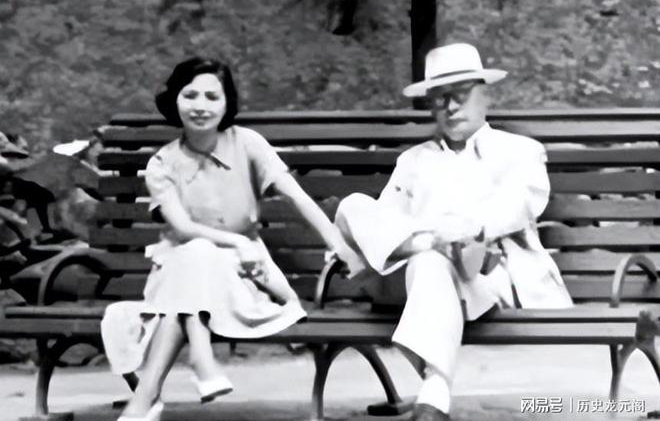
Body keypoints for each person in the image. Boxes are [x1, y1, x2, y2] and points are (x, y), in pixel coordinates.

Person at [105, 57, 360, 421]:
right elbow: (182, 228)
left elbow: (298, 197)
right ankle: (198, 363)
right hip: (180, 267)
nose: (200, 106)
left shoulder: (248, 143)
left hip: (244, 273)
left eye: (212, 96)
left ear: (227, 104)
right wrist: (235, 241)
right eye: (190, 95)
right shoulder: (162, 164)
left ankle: (151, 397)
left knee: (189, 276)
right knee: (195, 253)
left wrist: (336, 242)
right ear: (175, 100)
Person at [335, 43, 574, 421]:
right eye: (439, 98)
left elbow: (516, 207)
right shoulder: (413, 160)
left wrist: (456, 233)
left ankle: (435, 392)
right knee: (354, 207)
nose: (449, 107)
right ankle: (430, 250)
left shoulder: (521, 152)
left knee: (432, 259)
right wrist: (429, 241)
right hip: (420, 277)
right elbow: (383, 222)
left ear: (484, 95)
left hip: (489, 277)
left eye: (459, 95)